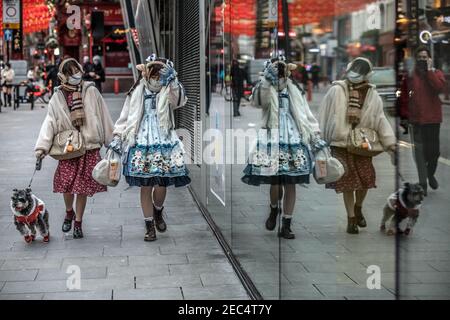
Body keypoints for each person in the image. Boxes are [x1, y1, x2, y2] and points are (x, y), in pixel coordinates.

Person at [241, 56, 327, 239]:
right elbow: (257, 101)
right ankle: (274, 209)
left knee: (291, 182)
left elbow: (304, 113)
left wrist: (314, 131)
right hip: (271, 138)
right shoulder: (265, 86)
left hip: (294, 138)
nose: (280, 72)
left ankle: (287, 223)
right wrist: (267, 79)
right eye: (277, 68)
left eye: (282, 68)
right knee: (275, 180)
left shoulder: (293, 88)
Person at [111, 54, 190, 242]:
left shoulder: (168, 88)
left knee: (161, 184)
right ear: (146, 72)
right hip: (140, 141)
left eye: (159, 72)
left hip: (164, 140)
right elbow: (126, 116)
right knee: (145, 185)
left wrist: (173, 81)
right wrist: (117, 136)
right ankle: (149, 226)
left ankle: (158, 210)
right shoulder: (137, 90)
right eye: (153, 72)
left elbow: (180, 101)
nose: (155, 76)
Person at [34, 58, 114, 239]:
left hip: (88, 146)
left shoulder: (91, 91)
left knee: (83, 188)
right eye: (70, 72)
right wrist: (42, 147)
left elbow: (103, 115)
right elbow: (50, 122)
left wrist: (112, 140)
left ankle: (78, 222)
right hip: (68, 148)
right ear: (63, 76)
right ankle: (68, 211)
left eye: (77, 70)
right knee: (67, 186)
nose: (76, 75)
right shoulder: (57, 96)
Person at [318, 57, 396, 234]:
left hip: (362, 143)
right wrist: (319, 140)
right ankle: (351, 218)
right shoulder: (336, 90)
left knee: (366, 179)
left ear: (368, 74)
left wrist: (390, 144)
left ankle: (358, 207)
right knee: (348, 182)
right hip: (341, 143)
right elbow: (324, 115)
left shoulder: (372, 94)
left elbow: (380, 119)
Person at [399, 46, 446, 195]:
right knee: (419, 153)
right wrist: (405, 117)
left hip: (432, 120)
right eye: (419, 57)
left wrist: (430, 71)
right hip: (417, 120)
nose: (422, 60)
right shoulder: (411, 76)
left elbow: (439, 88)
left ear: (430, 59)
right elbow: (404, 97)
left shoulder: (436, 73)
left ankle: (430, 174)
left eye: (425, 57)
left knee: (434, 153)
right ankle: (423, 182)